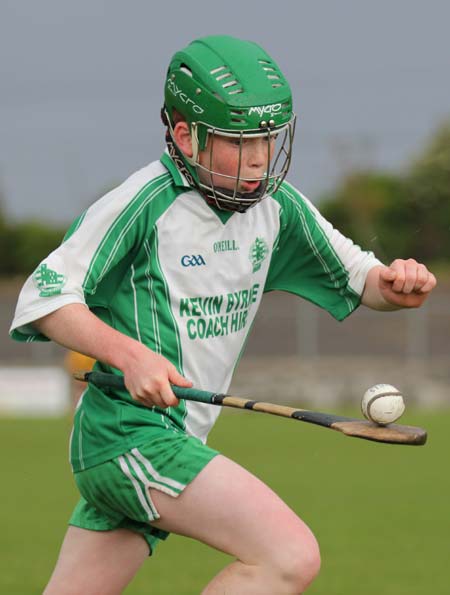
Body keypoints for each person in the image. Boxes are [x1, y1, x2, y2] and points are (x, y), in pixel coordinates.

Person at [10, 35, 436, 594]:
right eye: (239, 141)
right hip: (129, 437)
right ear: (186, 136)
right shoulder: (141, 203)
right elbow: (45, 297)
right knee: (287, 556)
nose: (259, 156)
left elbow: (363, 280)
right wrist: (130, 355)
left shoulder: (277, 207)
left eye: (267, 138)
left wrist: (399, 284)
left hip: (178, 437)